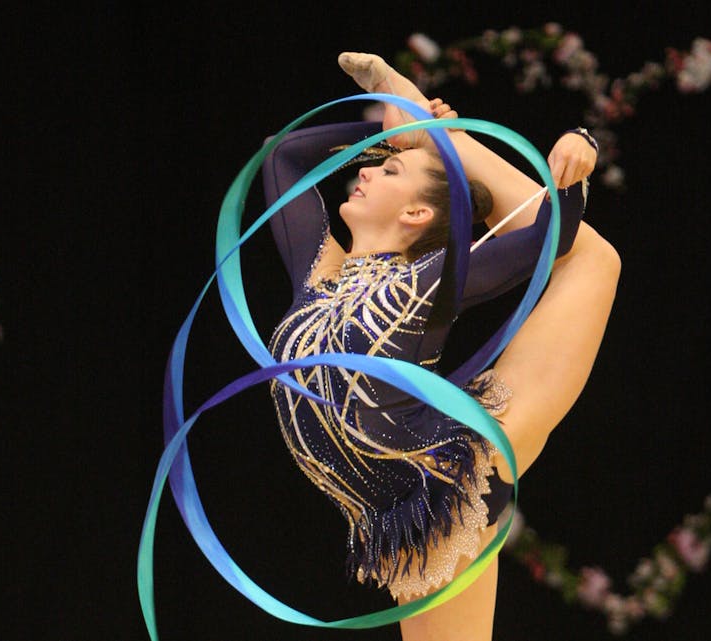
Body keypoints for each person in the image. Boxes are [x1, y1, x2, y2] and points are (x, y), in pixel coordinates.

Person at [260, 52, 620, 641]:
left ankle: (436, 134)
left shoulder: (427, 282)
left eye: (392, 171)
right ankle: (425, 126)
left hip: (451, 479)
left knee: (594, 261)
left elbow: (551, 236)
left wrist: (579, 152)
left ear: (418, 212)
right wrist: (387, 126)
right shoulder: (317, 274)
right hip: (396, 519)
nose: (368, 170)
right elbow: (283, 155)